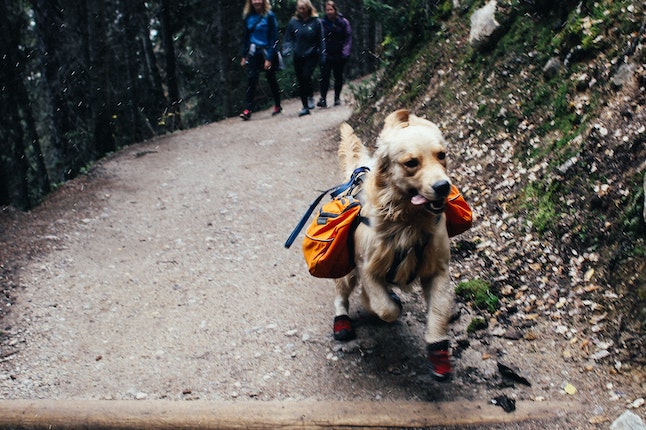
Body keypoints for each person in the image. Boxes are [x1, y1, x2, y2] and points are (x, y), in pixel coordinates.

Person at [239, 0, 282, 120]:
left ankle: (278, 105)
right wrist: (244, 55)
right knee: (252, 78)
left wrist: (269, 58)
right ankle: (247, 109)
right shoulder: (249, 16)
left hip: (267, 51)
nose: (256, 2)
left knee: (271, 78)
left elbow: (274, 37)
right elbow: (246, 38)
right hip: (254, 52)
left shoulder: (269, 15)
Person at [283, 0, 324, 117]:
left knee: (306, 76)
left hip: (312, 54)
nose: (301, 11)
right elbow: (288, 38)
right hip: (298, 54)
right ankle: (305, 106)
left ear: (308, 9)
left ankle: (309, 98)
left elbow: (321, 39)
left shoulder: (316, 22)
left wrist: (322, 54)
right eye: (299, 8)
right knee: (301, 80)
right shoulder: (293, 22)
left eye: (303, 9)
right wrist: (287, 50)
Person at [317, 1, 351, 108]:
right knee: (324, 76)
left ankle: (337, 97)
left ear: (335, 10)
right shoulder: (322, 23)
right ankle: (323, 99)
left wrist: (345, 51)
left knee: (338, 76)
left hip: (339, 54)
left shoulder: (343, 22)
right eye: (327, 10)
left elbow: (348, 37)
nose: (329, 12)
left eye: (331, 9)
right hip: (326, 54)